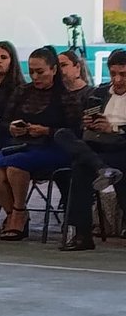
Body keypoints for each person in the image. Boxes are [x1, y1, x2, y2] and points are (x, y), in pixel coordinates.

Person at [0, 46, 84, 241]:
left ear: (54, 70)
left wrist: (47, 131)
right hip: (20, 144)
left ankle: (19, 213)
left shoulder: (66, 95)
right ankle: (13, 213)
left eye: (40, 72)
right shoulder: (22, 91)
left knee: (15, 167)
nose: (35, 77)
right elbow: (3, 122)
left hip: (53, 147)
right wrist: (12, 127)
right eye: (31, 72)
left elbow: (75, 132)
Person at [55, 49, 126, 251]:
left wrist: (112, 128)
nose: (118, 79)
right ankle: (82, 234)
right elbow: (82, 126)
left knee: (81, 165)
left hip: (122, 145)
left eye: (123, 74)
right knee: (63, 136)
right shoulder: (100, 93)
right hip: (96, 145)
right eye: (113, 74)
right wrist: (88, 123)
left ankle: (102, 169)